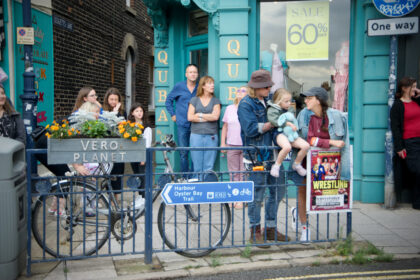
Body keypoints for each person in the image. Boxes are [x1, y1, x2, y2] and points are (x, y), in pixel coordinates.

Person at [291, 87, 350, 241]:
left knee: (321, 193)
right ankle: (305, 228)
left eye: (309, 98)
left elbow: (343, 142)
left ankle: (298, 213)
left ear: (318, 99)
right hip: (306, 159)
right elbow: (309, 140)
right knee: (303, 191)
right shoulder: (304, 115)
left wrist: (344, 170)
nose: (305, 101)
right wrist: (330, 142)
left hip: (328, 162)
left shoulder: (337, 116)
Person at [237, 69, 288, 247]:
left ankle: (271, 228)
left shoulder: (269, 99)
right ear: (256, 87)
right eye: (265, 87)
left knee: (278, 191)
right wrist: (272, 123)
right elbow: (250, 129)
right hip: (256, 156)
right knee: (257, 195)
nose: (269, 89)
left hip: (274, 154)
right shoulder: (245, 104)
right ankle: (255, 231)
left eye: (269, 86)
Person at [390, 77, 420, 210]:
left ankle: (417, 202)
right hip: (409, 142)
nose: (415, 89)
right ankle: (417, 201)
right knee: (417, 170)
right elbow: (395, 128)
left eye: (415, 86)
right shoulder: (397, 105)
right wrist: (399, 147)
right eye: (413, 86)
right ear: (404, 88)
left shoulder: (417, 102)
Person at [267, 88, 309, 178]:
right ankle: (276, 166)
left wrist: (295, 127)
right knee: (287, 147)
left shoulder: (290, 109)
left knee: (306, 146)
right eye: (286, 101)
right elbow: (275, 121)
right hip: (279, 132)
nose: (289, 103)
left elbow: (293, 120)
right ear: (278, 101)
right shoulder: (272, 110)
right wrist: (288, 123)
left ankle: (297, 164)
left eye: (289, 101)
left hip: (290, 133)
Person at [165, 64, 199, 174]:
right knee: (183, 152)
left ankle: (194, 177)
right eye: (190, 72)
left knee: (195, 152)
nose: (193, 74)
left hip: (196, 124)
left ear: (197, 74)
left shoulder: (200, 88)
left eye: (195, 72)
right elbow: (168, 101)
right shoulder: (179, 86)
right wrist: (173, 115)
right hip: (182, 124)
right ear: (186, 74)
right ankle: (185, 177)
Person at [187, 76, 221, 177]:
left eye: (213, 83)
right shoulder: (194, 100)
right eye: (210, 83)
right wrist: (207, 117)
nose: (212, 85)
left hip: (211, 136)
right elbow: (189, 117)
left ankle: (206, 187)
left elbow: (215, 117)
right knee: (197, 164)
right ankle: (197, 188)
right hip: (196, 135)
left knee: (208, 166)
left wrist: (200, 115)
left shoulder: (215, 101)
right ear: (203, 86)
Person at [221, 86, 248, 209]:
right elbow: (225, 127)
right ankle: (234, 197)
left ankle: (242, 199)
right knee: (233, 173)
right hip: (231, 144)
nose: (239, 92)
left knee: (244, 173)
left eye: (243, 91)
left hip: (246, 145)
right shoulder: (229, 108)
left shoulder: (248, 108)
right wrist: (223, 143)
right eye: (238, 90)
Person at [127, 102, 153, 208]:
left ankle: (144, 198)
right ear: (132, 113)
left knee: (143, 177)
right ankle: (140, 196)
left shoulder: (146, 128)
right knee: (137, 176)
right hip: (134, 156)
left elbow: (147, 144)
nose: (139, 113)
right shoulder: (129, 126)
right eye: (136, 111)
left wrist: (143, 158)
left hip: (142, 156)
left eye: (141, 111)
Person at [103, 87, 126, 190]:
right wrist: (114, 112)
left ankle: (117, 198)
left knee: (119, 171)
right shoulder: (103, 112)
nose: (113, 102)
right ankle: (110, 197)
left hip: (119, 145)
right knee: (109, 173)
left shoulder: (122, 113)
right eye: (111, 99)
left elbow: (124, 127)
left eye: (116, 99)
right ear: (107, 99)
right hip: (107, 145)